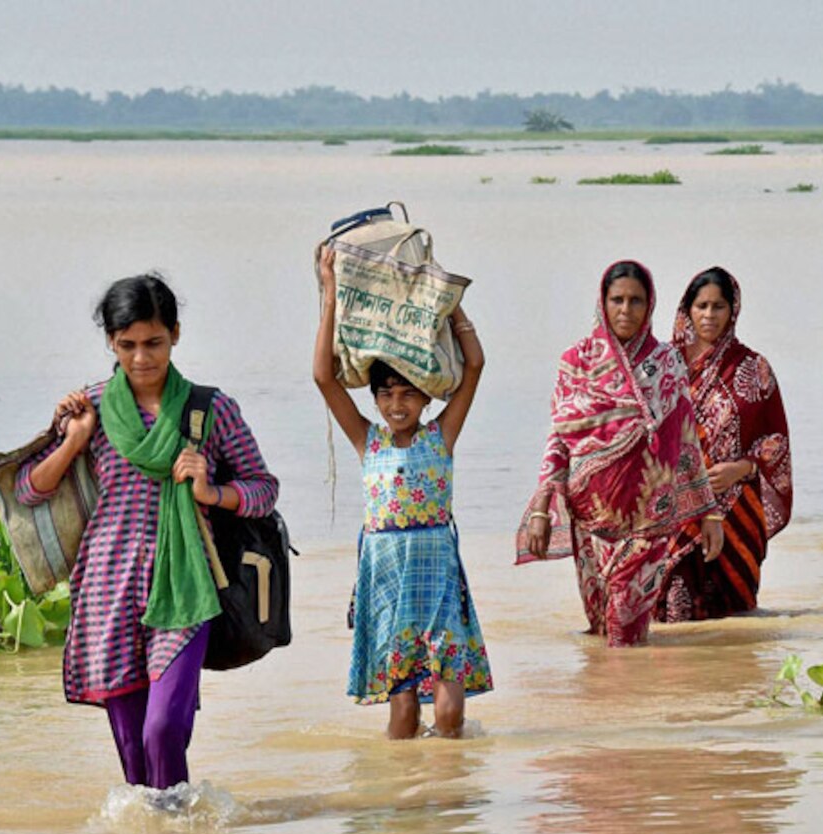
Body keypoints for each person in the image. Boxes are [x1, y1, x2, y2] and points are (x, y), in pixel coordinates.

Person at [15, 274, 278, 788]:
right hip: (107, 589)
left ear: (176, 335)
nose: (141, 358)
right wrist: (74, 441)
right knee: (133, 754)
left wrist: (212, 492)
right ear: (110, 342)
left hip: (186, 585)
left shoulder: (209, 410)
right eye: (127, 345)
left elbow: (264, 489)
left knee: (163, 729)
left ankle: (174, 827)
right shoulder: (90, 407)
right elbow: (30, 491)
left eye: (154, 343)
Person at [313, 245, 493, 739]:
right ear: (374, 399)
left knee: (450, 710)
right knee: (402, 713)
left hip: (436, 574)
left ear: (425, 396)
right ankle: (407, 797)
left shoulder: (441, 435)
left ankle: (451, 786)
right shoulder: (366, 440)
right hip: (388, 578)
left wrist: (447, 301)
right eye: (386, 394)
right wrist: (331, 291)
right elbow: (323, 377)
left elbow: (473, 365)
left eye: (408, 393)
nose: (396, 404)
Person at [517, 260, 723, 647]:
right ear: (602, 301)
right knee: (599, 628)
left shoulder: (667, 362)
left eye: (636, 301)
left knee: (625, 631)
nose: (626, 310)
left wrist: (707, 511)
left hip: (650, 520)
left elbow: (686, 441)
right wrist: (542, 508)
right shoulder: (576, 362)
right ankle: (611, 706)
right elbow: (560, 438)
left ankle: (629, 699)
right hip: (590, 519)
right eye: (617, 300)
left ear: (650, 306)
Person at [655, 267, 793, 622]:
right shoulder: (662, 366)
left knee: (735, 620)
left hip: (736, 511)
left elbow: (775, 442)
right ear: (687, 310)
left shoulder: (754, 367)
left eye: (718, 306)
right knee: (674, 611)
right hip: (676, 510)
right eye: (701, 306)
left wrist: (740, 469)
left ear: (733, 310)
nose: (709, 315)